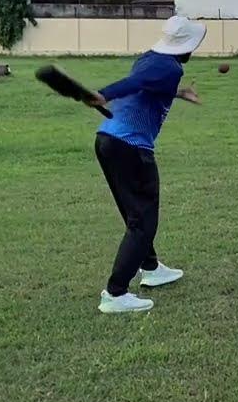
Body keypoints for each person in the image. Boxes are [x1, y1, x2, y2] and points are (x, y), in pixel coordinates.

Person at [88, 16, 206, 314]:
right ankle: (115, 293)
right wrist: (105, 93)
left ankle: (151, 268)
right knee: (143, 221)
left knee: (136, 214)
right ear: (187, 46)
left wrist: (180, 93)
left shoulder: (152, 59)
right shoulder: (169, 67)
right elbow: (136, 83)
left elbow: (148, 85)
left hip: (108, 140)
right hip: (131, 147)